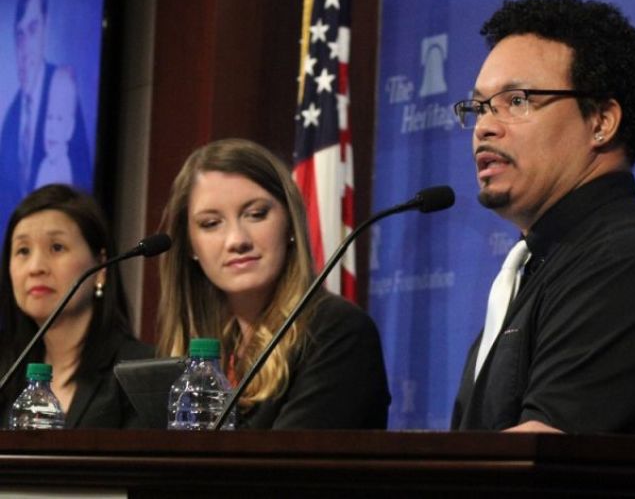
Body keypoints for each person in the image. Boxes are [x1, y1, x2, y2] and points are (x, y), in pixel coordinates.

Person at [450, 0, 635, 434]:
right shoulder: (539, 267)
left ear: (601, 122)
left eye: (517, 100)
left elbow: (542, 460)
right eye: (479, 107)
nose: (485, 127)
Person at [157, 138, 390, 429]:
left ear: (290, 223)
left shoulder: (338, 333)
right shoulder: (211, 350)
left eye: (256, 214)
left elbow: (287, 469)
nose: (237, 240)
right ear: (190, 245)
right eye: (211, 223)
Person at [0, 185, 153, 428]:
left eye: (56, 247)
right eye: (23, 251)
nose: (35, 267)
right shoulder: (7, 374)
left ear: (101, 267)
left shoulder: (139, 374)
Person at [0, 0, 92, 227]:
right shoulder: (10, 118)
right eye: (19, 35)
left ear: (46, 27)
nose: (24, 46)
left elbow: (85, 200)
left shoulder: (63, 92)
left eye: (32, 30)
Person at [35, 67, 76, 189]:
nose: (51, 128)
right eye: (49, 117)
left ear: (70, 128)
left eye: (59, 119)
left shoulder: (63, 169)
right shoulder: (44, 165)